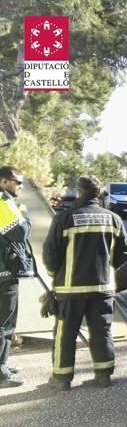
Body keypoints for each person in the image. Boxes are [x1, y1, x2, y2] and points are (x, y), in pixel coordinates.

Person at [43, 175, 127, 391]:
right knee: (102, 331)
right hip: (103, 289)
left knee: (66, 333)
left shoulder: (65, 219)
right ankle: (103, 376)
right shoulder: (113, 219)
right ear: (99, 193)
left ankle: (62, 379)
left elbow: (50, 254)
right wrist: (107, 270)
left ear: (78, 193)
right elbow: (126, 251)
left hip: (70, 289)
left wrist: (55, 275)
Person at [0, 166, 34, 388]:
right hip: (4, 273)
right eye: (17, 182)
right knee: (4, 323)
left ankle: (3, 363)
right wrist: (22, 213)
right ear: (3, 182)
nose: (20, 186)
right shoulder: (3, 203)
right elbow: (22, 232)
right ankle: (1, 374)